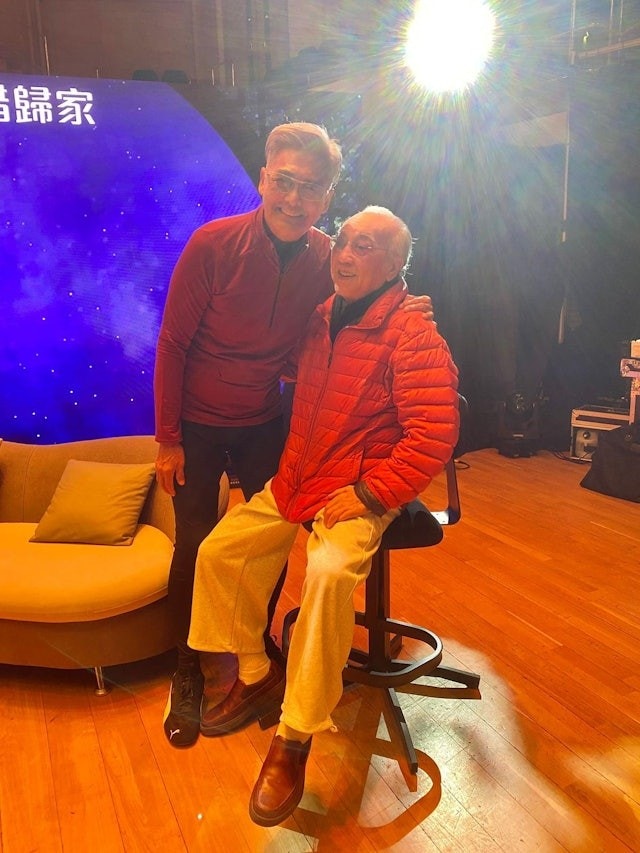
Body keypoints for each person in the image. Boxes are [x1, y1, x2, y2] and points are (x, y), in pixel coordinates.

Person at [154, 123, 433, 748]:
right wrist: (168, 437)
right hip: (197, 424)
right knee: (196, 546)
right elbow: (171, 343)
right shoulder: (213, 244)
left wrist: (407, 308)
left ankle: (256, 656)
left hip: (264, 421)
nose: (293, 197)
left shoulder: (329, 258)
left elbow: (359, 309)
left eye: (311, 187)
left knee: (270, 543)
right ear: (263, 180)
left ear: (326, 196)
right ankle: (187, 669)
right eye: (284, 181)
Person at [187, 205, 459, 827]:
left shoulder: (414, 335)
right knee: (219, 552)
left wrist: (372, 494)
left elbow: (434, 434)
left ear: (395, 264)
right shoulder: (320, 318)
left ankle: (295, 736)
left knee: (329, 575)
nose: (345, 255)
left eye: (365, 247)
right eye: (343, 241)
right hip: (299, 478)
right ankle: (256, 673)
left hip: (358, 491)